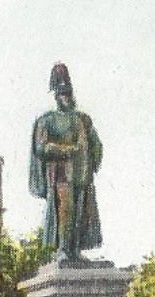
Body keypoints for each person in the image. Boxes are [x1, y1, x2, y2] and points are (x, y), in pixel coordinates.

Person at [28, 62, 104, 264]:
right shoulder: (48, 120)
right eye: (62, 93)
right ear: (56, 96)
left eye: (69, 93)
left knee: (81, 212)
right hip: (61, 173)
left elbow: (95, 143)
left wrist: (92, 156)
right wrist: (67, 150)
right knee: (65, 210)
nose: (67, 98)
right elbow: (41, 147)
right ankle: (62, 248)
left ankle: (75, 249)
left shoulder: (82, 120)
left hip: (81, 174)